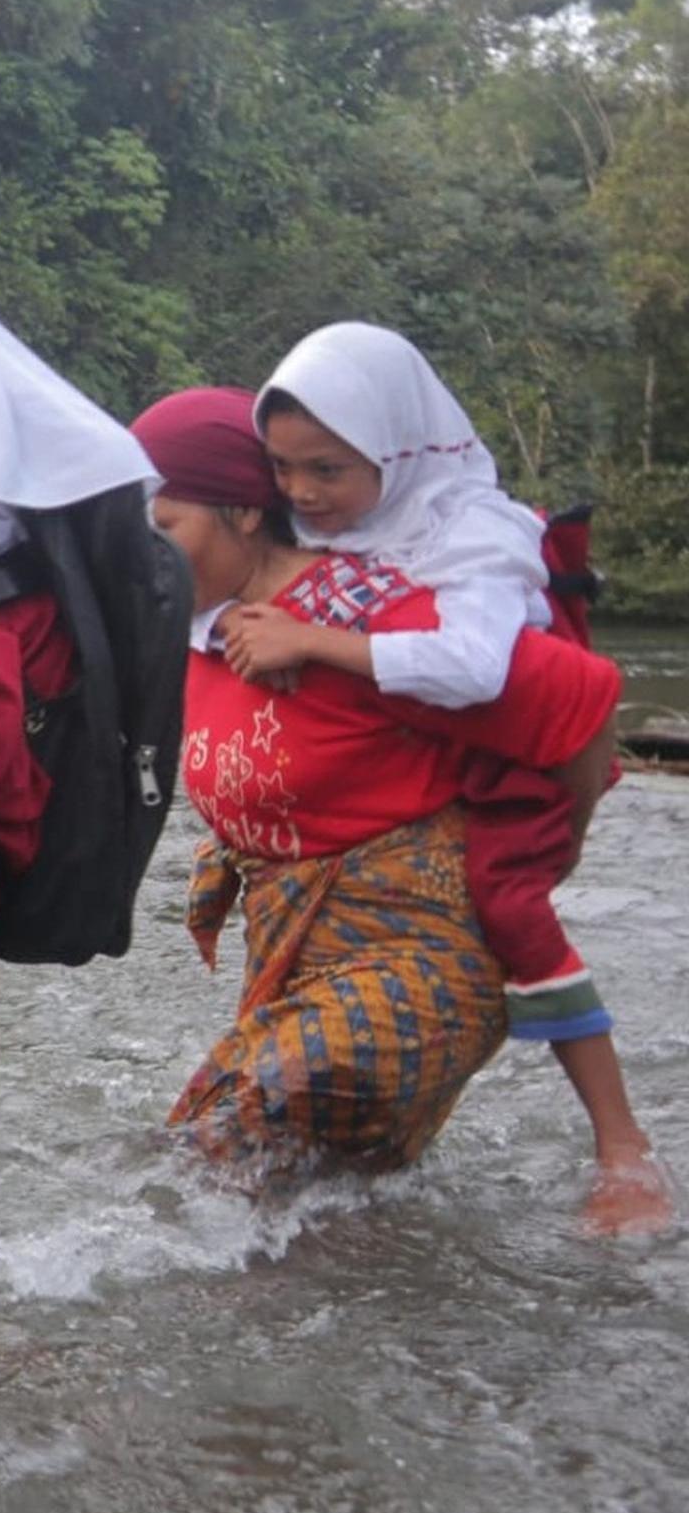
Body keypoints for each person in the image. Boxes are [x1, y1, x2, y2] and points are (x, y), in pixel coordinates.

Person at [131, 387, 669, 1235]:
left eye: (162, 526)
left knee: (226, 1145)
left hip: (427, 951)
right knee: (307, 1216)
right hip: (300, 955)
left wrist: (553, 855)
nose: (144, 553)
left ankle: (627, 1157)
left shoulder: (362, 618)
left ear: (241, 511)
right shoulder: (199, 629)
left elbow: (584, 701)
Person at [218, 323, 616, 1057]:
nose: (301, 491)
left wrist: (311, 641)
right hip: (441, 762)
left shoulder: (474, 535)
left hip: (522, 765)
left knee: (512, 908)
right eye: (281, 467)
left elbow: (473, 668)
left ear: (397, 452)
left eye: (327, 470)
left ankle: (617, 1136)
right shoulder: (344, 519)